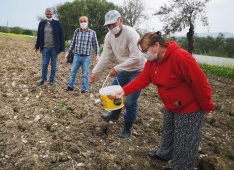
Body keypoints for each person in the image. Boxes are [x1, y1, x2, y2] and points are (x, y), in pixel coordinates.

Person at [110, 31, 214, 169]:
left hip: (189, 107)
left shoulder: (181, 57)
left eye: (145, 51)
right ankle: (165, 154)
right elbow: (142, 79)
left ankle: (180, 166)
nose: (144, 54)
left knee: (185, 140)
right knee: (169, 132)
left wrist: (207, 107)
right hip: (171, 104)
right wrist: (122, 91)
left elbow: (201, 83)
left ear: (156, 45)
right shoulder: (153, 62)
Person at [89, 10, 146, 138]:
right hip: (124, 70)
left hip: (137, 70)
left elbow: (136, 58)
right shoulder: (109, 36)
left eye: (113, 24)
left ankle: (127, 129)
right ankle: (114, 115)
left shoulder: (131, 34)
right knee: (113, 93)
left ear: (120, 20)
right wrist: (94, 72)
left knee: (130, 101)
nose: (111, 28)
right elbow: (104, 56)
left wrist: (117, 67)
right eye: (108, 26)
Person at [65, 16, 100, 93]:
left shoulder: (92, 32)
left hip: (86, 57)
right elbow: (73, 42)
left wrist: (97, 54)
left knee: (85, 74)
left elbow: (95, 44)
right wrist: (68, 52)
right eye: (81, 21)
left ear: (87, 22)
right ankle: (70, 86)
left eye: (84, 21)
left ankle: (85, 89)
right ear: (79, 23)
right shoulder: (77, 31)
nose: (83, 23)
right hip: (77, 56)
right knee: (73, 72)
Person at [35, 7, 65, 86]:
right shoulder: (41, 23)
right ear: (45, 14)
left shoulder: (57, 23)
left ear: (53, 14)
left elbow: (61, 36)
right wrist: (37, 46)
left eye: (50, 14)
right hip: (45, 47)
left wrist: (62, 48)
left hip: (54, 48)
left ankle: (52, 80)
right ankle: (43, 80)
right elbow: (39, 36)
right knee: (44, 64)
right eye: (47, 14)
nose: (49, 15)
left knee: (54, 64)